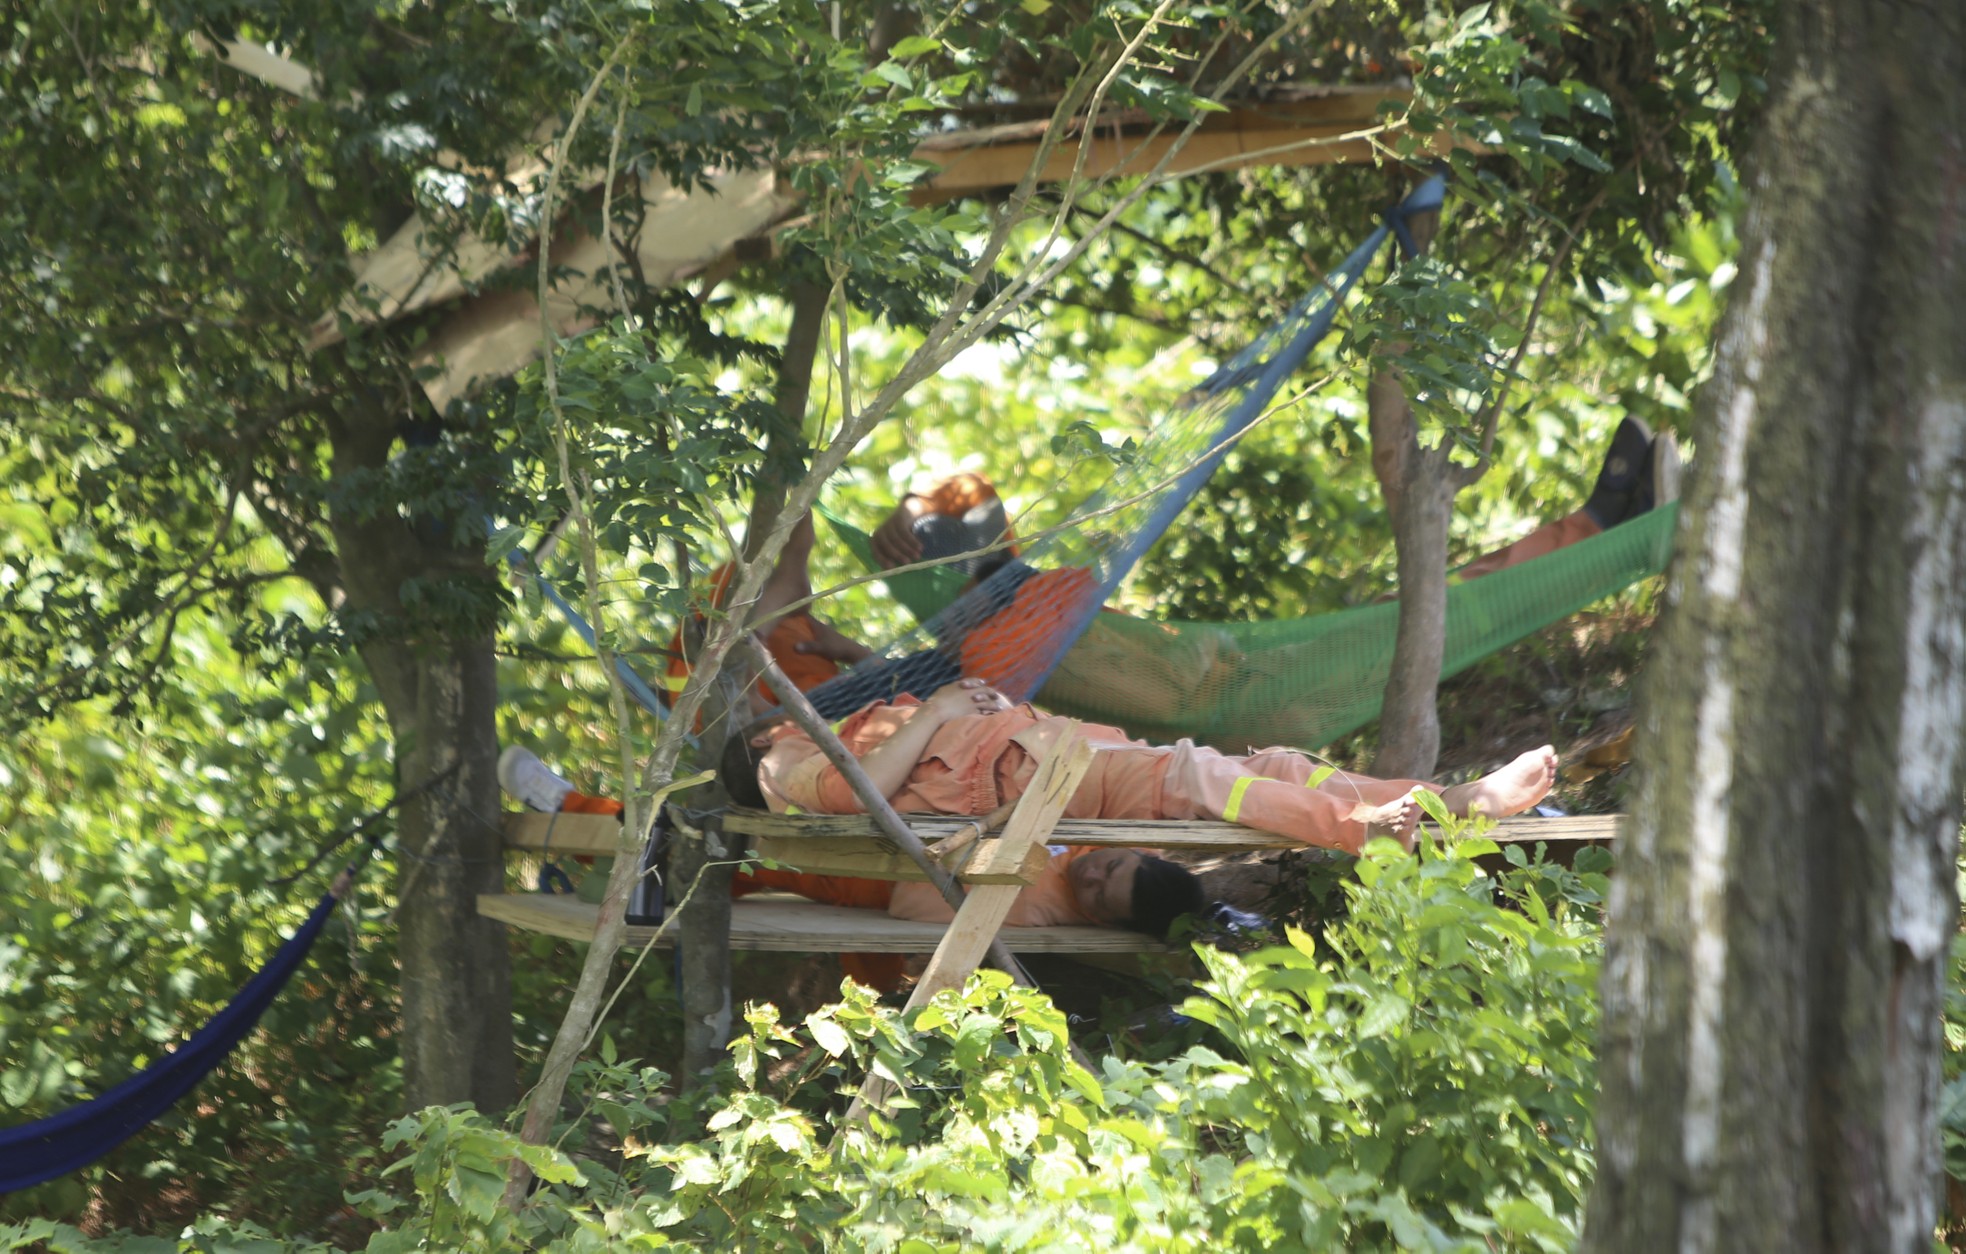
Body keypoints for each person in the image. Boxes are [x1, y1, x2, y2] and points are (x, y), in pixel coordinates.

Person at [495, 738, 1208, 992]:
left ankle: (567, 805)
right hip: (871, 830)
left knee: (697, 846)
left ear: (1108, 918)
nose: (1093, 875)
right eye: (1110, 865)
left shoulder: (1038, 903)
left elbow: (912, 909)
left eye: (1104, 891)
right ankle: (576, 813)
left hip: (857, 866)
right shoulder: (1080, 839)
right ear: (1129, 849)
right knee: (701, 850)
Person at [731, 678, 1559, 858]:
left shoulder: (825, 730)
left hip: (1063, 756)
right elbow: (849, 792)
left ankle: (1447, 801)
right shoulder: (784, 765)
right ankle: (1363, 830)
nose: (780, 708)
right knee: (1199, 779)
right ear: (756, 740)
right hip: (1037, 788)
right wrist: (945, 714)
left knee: (1266, 762)